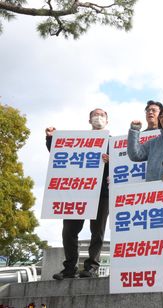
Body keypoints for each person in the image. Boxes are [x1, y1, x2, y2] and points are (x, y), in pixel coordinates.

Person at [45, 108, 110, 280]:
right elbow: (59, 153)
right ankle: (69, 267)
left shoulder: (112, 142)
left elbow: (123, 164)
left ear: (107, 120)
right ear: (89, 120)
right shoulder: (79, 139)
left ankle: (92, 267)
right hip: (77, 192)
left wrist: (110, 161)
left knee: (97, 231)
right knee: (69, 230)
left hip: (101, 193)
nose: (98, 118)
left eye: (101, 115)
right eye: (95, 115)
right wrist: (51, 138)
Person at [128, 104, 163, 181]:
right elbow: (135, 155)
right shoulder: (153, 142)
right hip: (153, 190)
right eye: (161, 116)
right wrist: (134, 130)